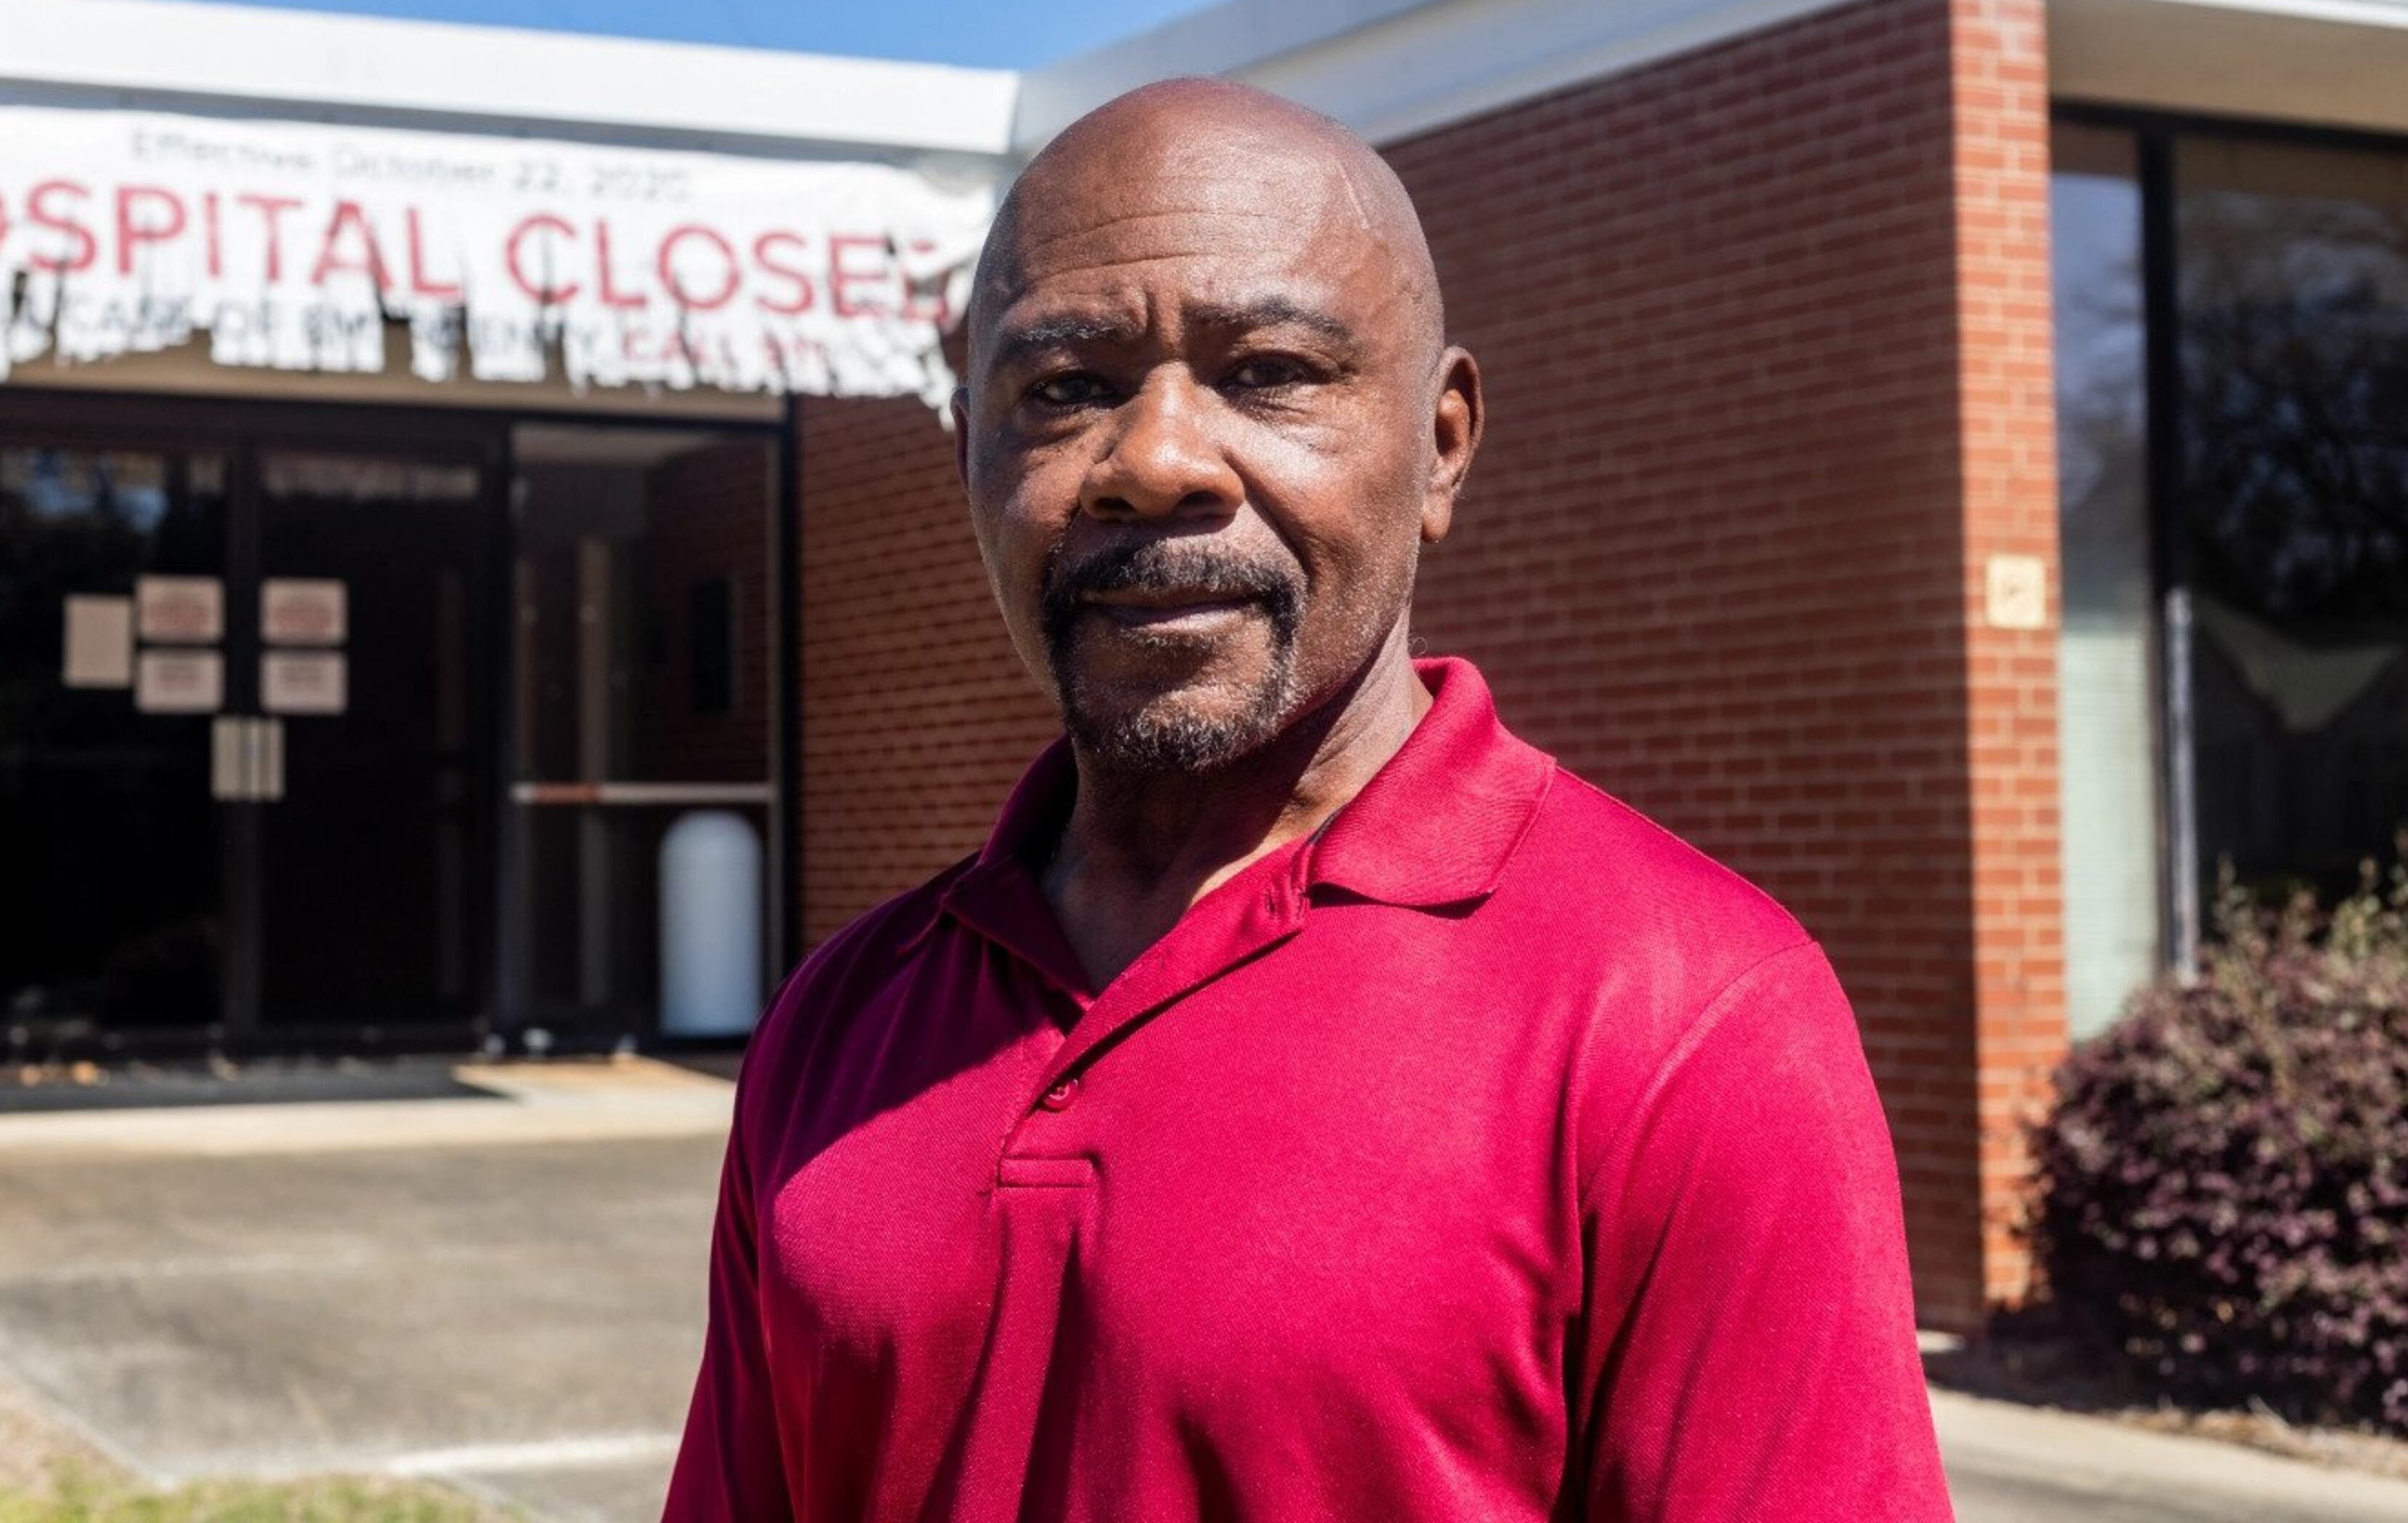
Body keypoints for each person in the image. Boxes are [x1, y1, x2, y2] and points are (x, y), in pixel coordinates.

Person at [663, 77, 1953, 1521]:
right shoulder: (841, 1019)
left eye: (1268, 371)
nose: (1155, 462)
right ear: (970, 448)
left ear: (1441, 444)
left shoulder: (1686, 1017)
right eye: (1066, 388)